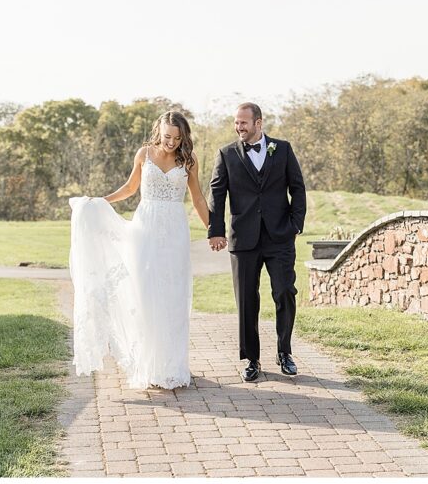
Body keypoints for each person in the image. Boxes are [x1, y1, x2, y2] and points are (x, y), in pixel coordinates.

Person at [68, 111, 210, 389]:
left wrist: (213, 229)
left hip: (175, 233)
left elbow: (197, 198)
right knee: (146, 296)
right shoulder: (144, 154)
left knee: (173, 297)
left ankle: (172, 365)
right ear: (159, 131)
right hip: (145, 230)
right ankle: (148, 364)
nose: (171, 143)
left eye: (177, 138)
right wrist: (100, 202)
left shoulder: (189, 160)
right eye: (168, 136)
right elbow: (130, 188)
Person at [208, 102, 307, 382]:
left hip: (280, 237)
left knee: (285, 291)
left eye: (244, 122)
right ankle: (252, 359)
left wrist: (296, 224)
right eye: (236, 123)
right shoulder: (226, 154)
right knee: (246, 301)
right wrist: (215, 231)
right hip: (244, 238)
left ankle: (284, 352)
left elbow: (297, 188)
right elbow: (217, 195)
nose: (239, 127)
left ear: (258, 123)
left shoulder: (283, 149)